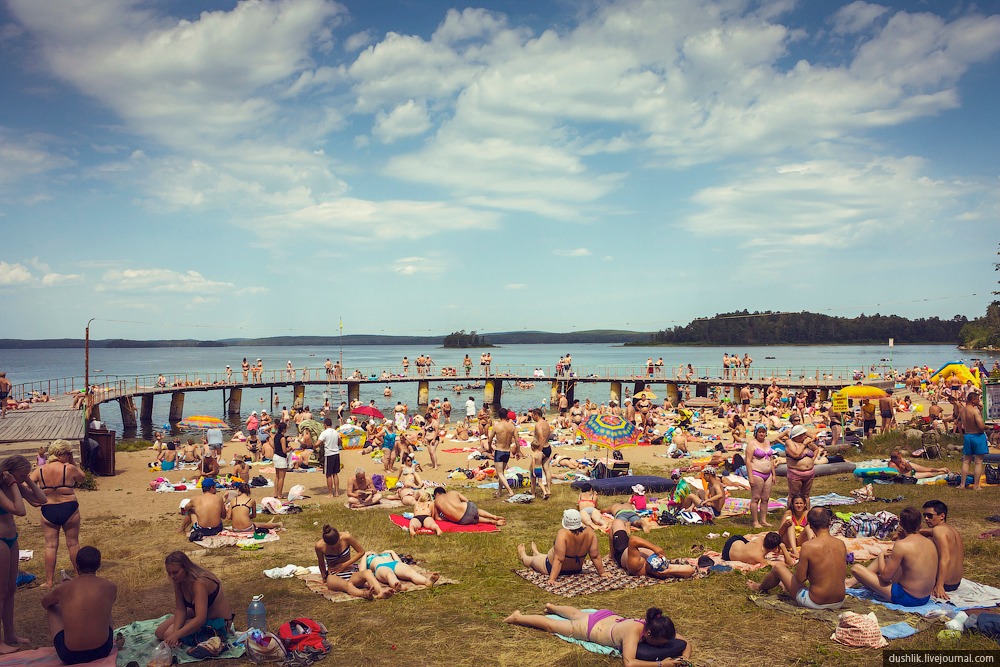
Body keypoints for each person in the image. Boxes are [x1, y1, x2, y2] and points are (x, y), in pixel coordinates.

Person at [506, 605, 690, 667]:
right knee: (551, 625)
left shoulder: (659, 625)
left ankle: (552, 606)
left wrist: (685, 659)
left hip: (605, 616)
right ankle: (517, 617)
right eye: (659, 644)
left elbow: (686, 642)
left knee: (577, 613)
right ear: (648, 633)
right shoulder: (634, 632)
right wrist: (661, 664)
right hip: (589, 628)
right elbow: (629, 663)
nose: (661, 646)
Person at [748, 507, 847, 610]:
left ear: (810, 525)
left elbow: (800, 578)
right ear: (829, 522)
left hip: (816, 602)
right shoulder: (841, 544)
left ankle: (759, 587)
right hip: (839, 601)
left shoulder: (809, 546)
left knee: (778, 568)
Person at [846, 506, 937, 607]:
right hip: (925, 597)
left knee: (856, 568)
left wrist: (880, 555)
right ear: (920, 525)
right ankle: (852, 582)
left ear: (901, 524)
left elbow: (885, 577)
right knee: (888, 558)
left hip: (908, 598)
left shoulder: (902, 545)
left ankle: (850, 582)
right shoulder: (930, 543)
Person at [0, 455, 46, 653]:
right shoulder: (4, 488)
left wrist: (26, 479)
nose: (22, 480)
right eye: (21, 475)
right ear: (8, 473)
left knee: (11, 589)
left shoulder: (16, 486)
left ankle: (10, 634)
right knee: (0, 591)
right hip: (1, 540)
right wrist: (13, 484)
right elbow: (20, 510)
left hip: (12, 538)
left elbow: (41, 500)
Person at [41, 546, 117, 665]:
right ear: (98, 565)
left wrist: (63, 596)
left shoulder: (64, 588)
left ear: (77, 565)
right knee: (103, 605)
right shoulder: (110, 587)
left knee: (52, 607)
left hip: (70, 655)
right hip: (103, 650)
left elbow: (45, 603)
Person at [29, 440, 85, 589]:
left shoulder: (40, 470)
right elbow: (82, 477)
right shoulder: (69, 468)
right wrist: (73, 462)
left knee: (50, 546)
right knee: (73, 543)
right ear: (62, 454)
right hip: (69, 507)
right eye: (68, 453)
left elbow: (24, 485)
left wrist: (33, 500)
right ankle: (79, 576)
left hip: (48, 508)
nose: (69, 456)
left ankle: (49, 581)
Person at [155, 551, 233, 647]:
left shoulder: (199, 583)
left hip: (218, 623)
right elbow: (180, 609)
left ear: (186, 568)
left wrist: (177, 634)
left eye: (175, 572)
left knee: (168, 634)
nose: (172, 576)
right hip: (198, 613)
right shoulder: (179, 580)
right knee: (160, 632)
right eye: (169, 573)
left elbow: (200, 619)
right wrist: (175, 633)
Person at [518, 509, 609, 585]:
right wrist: (602, 572)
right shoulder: (590, 532)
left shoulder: (563, 534)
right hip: (576, 569)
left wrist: (552, 579)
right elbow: (595, 555)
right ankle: (537, 553)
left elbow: (559, 559)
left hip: (553, 568)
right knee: (541, 556)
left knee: (532, 561)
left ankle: (524, 556)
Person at [315, 525, 393, 600]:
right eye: (332, 546)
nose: (335, 547)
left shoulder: (346, 537)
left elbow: (361, 552)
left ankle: (380, 591)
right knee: (348, 585)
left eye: (337, 544)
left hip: (350, 571)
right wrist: (324, 577)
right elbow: (321, 563)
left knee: (368, 572)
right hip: (334, 575)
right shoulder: (319, 546)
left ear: (339, 537)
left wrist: (345, 564)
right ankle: (365, 594)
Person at [610, 517, 695, 579]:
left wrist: (656, 548)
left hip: (622, 549)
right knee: (619, 525)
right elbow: (690, 570)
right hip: (635, 548)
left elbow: (633, 540)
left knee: (617, 522)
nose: (658, 557)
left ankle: (612, 555)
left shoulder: (637, 567)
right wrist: (669, 571)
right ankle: (628, 526)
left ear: (655, 572)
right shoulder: (662, 568)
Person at [919, 500, 964, 600]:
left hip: (944, 583)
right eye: (924, 515)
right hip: (956, 583)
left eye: (930, 516)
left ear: (942, 516)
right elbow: (930, 532)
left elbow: (946, 558)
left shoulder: (938, 530)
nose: (926, 519)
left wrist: (939, 585)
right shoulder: (952, 530)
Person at [745, 424, 775, 528]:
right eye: (760, 432)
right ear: (756, 433)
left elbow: (771, 459)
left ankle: (763, 520)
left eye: (763, 432)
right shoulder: (751, 444)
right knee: (756, 497)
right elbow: (748, 461)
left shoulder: (767, 442)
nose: (762, 434)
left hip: (768, 474)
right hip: (757, 473)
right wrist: (750, 477)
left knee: (766, 498)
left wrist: (773, 474)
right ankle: (755, 521)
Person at [364, 550, 440, 589]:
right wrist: (365, 555)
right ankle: (397, 586)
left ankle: (426, 581)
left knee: (410, 571)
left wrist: (392, 552)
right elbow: (362, 571)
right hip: (380, 567)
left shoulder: (387, 554)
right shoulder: (367, 558)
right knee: (389, 575)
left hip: (395, 563)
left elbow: (399, 561)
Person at [784, 425, 819, 508]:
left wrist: (812, 460)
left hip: (809, 473)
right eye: (803, 434)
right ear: (797, 436)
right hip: (796, 473)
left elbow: (816, 449)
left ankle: (807, 512)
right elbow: (796, 454)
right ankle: (790, 512)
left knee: (806, 495)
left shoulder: (807, 442)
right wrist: (804, 444)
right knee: (794, 495)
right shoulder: (790, 442)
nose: (805, 436)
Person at [958, 391, 987, 491]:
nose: (979, 401)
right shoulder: (975, 411)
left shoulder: (962, 410)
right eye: (977, 399)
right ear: (972, 400)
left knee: (966, 461)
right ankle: (976, 485)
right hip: (977, 436)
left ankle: (962, 484)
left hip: (968, 435)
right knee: (978, 462)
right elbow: (981, 426)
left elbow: (958, 422)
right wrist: (990, 427)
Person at [432, 488, 505, 526]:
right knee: (475, 511)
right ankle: (493, 516)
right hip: (470, 506)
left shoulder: (436, 501)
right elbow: (467, 500)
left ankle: (491, 521)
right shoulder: (453, 492)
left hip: (462, 519)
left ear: (437, 494)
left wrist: (449, 518)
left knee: (474, 518)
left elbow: (437, 517)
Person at [487, 407, 518, 498]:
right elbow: (517, 440)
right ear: (507, 415)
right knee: (502, 473)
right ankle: (499, 492)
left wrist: (489, 447)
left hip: (499, 451)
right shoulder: (512, 427)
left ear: (499, 415)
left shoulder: (497, 426)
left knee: (499, 473)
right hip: (507, 452)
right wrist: (518, 451)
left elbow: (490, 439)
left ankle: (510, 491)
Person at [720, 531, 793, 566]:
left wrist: (790, 554)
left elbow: (775, 550)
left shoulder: (761, 538)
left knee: (747, 544)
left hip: (732, 546)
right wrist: (783, 548)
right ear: (774, 548)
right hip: (728, 556)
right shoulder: (760, 558)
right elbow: (789, 564)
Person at [777, 494, 814, 558]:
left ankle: (813, 548)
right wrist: (785, 525)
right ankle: (795, 551)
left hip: (800, 539)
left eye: (801, 503)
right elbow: (780, 533)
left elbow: (814, 529)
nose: (799, 505)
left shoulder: (807, 514)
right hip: (788, 540)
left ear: (805, 504)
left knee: (808, 527)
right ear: (793, 504)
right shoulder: (789, 513)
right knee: (791, 524)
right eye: (796, 503)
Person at [316, 418, 341, 498]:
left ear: (325, 425)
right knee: (335, 474)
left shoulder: (324, 433)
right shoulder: (335, 432)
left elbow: (317, 443)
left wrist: (314, 447)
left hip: (329, 454)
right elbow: (340, 442)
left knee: (328, 474)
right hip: (336, 453)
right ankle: (336, 492)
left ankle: (330, 493)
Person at [271, 421, 290, 499]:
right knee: (281, 477)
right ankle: (279, 494)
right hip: (281, 457)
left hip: (276, 456)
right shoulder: (282, 438)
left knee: (277, 476)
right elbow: (284, 450)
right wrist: (290, 449)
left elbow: (274, 446)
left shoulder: (276, 436)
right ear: (284, 429)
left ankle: (275, 493)